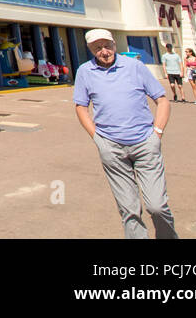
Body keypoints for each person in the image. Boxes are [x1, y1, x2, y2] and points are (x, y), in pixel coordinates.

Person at [74, 29, 177, 239]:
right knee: (129, 209)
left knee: (157, 206)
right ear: (90, 50)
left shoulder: (135, 67)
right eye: (97, 48)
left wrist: (156, 133)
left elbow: (162, 99)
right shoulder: (85, 72)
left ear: (114, 44)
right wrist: (97, 138)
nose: (104, 51)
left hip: (145, 143)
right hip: (111, 146)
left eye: (107, 46)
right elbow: (81, 106)